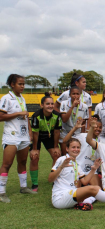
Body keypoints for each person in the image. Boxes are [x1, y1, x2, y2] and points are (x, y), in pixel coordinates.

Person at [48, 138, 105, 210]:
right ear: (67, 149)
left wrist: (94, 169)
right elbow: (50, 179)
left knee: (96, 189)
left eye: (78, 147)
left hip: (70, 194)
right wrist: (61, 167)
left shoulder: (77, 163)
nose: (76, 149)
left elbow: (84, 181)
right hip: (60, 197)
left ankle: (84, 203)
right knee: (94, 189)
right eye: (73, 147)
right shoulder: (62, 160)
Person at [0, 74, 37, 203]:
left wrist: (30, 132)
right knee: (7, 163)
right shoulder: (6, 98)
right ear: (12, 84)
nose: (22, 86)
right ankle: (1, 192)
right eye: (20, 84)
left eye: (23, 84)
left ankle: (23, 187)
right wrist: (18, 113)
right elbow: (0, 117)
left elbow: (25, 117)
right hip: (11, 136)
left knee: (22, 162)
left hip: (24, 136)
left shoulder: (22, 99)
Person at [30, 93, 62, 191]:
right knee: (34, 157)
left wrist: (56, 146)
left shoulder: (57, 115)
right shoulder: (36, 116)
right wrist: (35, 149)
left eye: (52, 104)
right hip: (38, 136)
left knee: (56, 155)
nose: (50, 106)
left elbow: (57, 132)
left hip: (50, 136)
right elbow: (35, 134)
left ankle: (53, 179)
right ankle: (34, 183)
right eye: (47, 104)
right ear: (42, 105)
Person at [63, 117, 102, 187]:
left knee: (98, 190)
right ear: (91, 126)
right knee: (75, 192)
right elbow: (65, 141)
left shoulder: (101, 141)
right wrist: (75, 128)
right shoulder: (82, 136)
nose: (98, 129)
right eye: (96, 126)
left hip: (91, 170)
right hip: (78, 168)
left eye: (100, 127)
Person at [59, 86, 89, 155]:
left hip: (77, 134)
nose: (75, 96)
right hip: (65, 133)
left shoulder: (84, 106)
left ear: (80, 94)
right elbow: (64, 120)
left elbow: (83, 124)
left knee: (77, 155)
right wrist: (72, 107)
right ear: (69, 95)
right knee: (65, 155)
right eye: (73, 94)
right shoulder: (64, 103)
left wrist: (82, 136)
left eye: (77, 94)